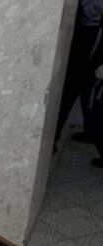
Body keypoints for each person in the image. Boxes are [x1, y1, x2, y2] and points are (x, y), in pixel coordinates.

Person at [54, 0, 103, 156]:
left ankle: (52, 139)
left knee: (74, 86)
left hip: (88, 29)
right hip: (87, 28)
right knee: (84, 85)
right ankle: (92, 131)